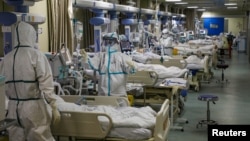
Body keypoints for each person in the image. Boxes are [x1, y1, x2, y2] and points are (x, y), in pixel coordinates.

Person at [0, 21, 60, 141]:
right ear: (31, 36)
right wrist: (53, 105)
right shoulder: (36, 56)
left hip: (12, 109)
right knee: (40, 137)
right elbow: (46, 84)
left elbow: (2, 86)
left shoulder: (6, 59)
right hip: (33, 109)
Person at [80, 32, 136, 97]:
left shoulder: (123, 57)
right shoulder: (101, 56)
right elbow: (90, 65)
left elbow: (131, 70)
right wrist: (86, 58)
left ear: (117, 43)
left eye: (111, 42)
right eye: (106, 42)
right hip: (103, 96)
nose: (108, 44)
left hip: (119, 96)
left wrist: (132, 67)